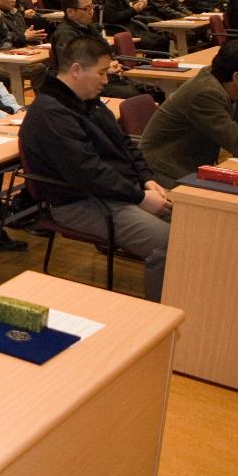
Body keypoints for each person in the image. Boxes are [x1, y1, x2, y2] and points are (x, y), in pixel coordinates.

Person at [20, 35, 172, 300]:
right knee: (170, 244)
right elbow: (87, 173)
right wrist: (139, 197)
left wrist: (147, 180)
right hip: (81, 202)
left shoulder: (88, 100)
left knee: (196, 224)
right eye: (101, 72)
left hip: (118, 191)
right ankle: (164, 316)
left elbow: (125, 144)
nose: (106, 80)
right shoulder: (50, 113)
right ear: (77, 69)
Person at [139, 38, 238, 188]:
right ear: (237, 77)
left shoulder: (226, 84)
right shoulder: (205, 93)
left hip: (194, 164)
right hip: (166, 171)